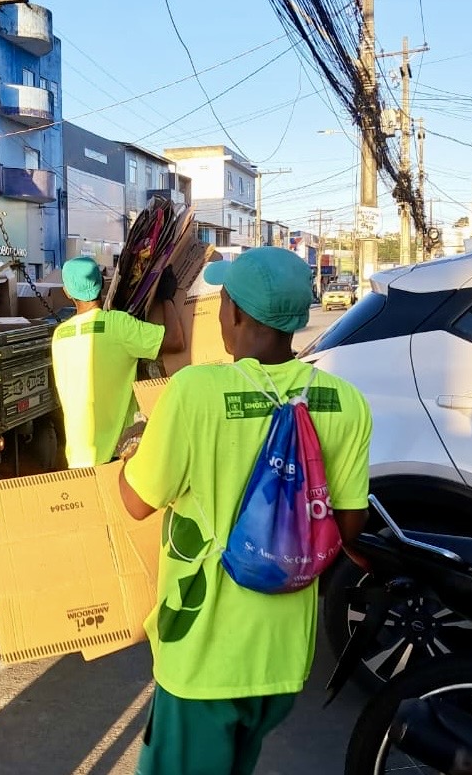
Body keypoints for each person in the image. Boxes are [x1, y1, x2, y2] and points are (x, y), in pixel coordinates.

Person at [117, 247, 372, 775]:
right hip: (280, 659)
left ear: (232, 313)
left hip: (205, 657)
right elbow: (348, 527)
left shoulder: (195, 392)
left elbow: (137, 500)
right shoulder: (345, 401)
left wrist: (135, 452)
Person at [51, 256, 184, 469]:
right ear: (103, 283)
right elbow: (176, 342)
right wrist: (167, 298)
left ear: (67, 293)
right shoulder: (119, 326)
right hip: (119, 454)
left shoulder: (60, 336)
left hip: (79, 458)